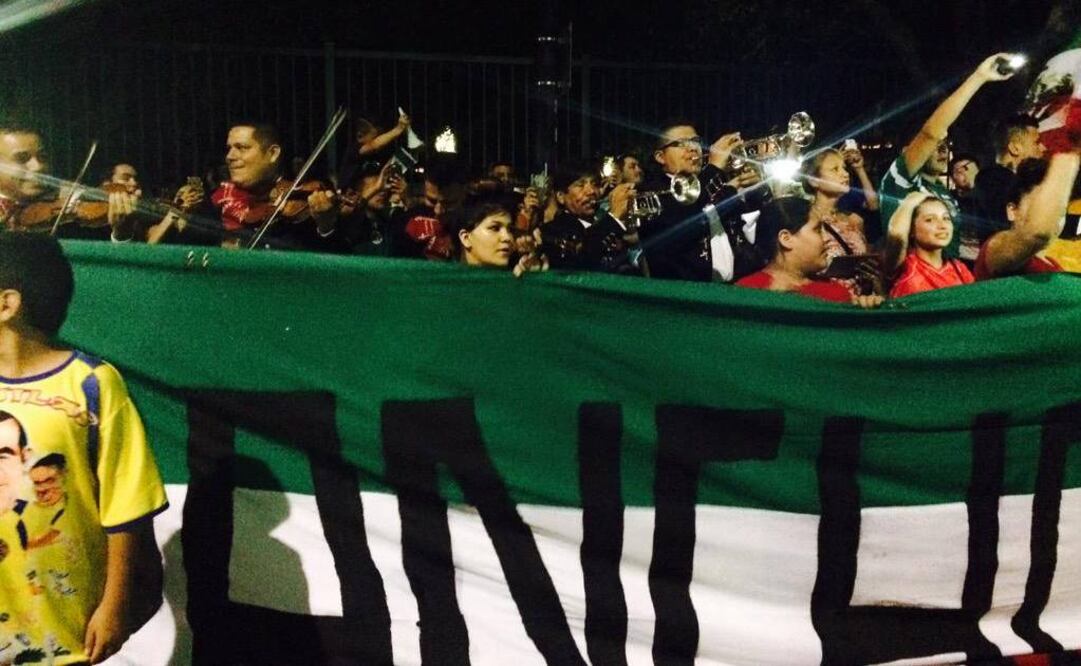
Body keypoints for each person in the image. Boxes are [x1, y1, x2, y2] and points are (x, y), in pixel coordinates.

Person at [0, 234, 167, 664]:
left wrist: (115, 605)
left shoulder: (92, 383)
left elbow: (126, 505)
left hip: (59, 622)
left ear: (7, 304)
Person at [879, 54, 1018, 258]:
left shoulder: (942, 192)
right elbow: (930, 133)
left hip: (949, 279)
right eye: (936, 146)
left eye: (945, 145)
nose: (943, 150)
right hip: (917, 283)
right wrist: (979, 76)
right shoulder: (899, 182)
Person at [638, 121, 761, 282]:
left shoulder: (715, 184)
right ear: (661, 157)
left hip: (732, 289)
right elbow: (680, 221)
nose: (692, 148)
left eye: (695, 141)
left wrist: (756, 190)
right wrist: (714, 167)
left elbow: (751, 232)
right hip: (685, 294)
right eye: (681, 143)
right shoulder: (650, 192)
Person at [209, 122, 340, 250]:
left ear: (273, 154)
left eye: (242, 148)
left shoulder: (303, 209)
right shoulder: (222, 199)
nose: (229, 156)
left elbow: (334, 262)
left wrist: (325, 226)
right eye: (229, 149)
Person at [736, 197, 883, 308]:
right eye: (817, 230)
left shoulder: (836, 295)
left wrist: (869, 311)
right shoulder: (744, 298)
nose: (826, 239)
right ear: (786, 238)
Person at [974, 154, 1076, 279]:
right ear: (1012, 211)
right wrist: (1067, 161)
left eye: (1060, 213)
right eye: (1041, 207)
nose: (1054, 220)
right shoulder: (995, 249)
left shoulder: (1053, 264)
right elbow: (1038, 232)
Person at [971, 115, 1048, 250]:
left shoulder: (1013, 180)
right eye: (1036, 142)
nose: (1042, 148)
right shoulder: (992, 179)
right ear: (1015, 148)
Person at [884, 191, 975, 297]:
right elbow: (897, 235)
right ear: (911, 230)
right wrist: (911, 200)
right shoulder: (904, 267)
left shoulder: (959, 269)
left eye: (946, 218)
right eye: (930, 220)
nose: (942, 226)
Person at [448, 195, 546, 276]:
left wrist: (533, 281)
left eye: (510, 229)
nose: (507, 237)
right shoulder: (443, 286)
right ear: (465, 238)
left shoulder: (514, 285)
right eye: (494, 228)